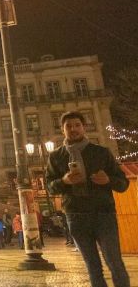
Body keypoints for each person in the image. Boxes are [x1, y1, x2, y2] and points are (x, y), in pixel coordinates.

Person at [46, 110, 130, 287]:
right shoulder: (55, 157)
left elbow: (123, 184)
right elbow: (50, 187)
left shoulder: (101, 152)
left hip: (103, 214)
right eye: (68, 126)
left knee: (114, 262)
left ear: (84, 128)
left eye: (77, 125)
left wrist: (108, 180)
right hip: (75, 216)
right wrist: (64, 180)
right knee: (92, 265)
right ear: (62, 130)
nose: (73, 129)